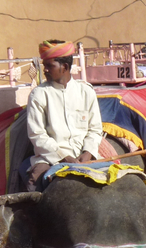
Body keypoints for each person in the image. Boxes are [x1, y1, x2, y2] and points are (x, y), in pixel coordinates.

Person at [25, 40, 103, 191]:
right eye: (44, 66)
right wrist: (64, 157)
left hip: (84, 157)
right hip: (50, 159)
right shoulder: (39, 94)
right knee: (35, 186)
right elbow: (37, 135)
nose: (45, 70)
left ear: (65, 67)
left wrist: (87, 153)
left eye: (49, 66)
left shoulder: (86, 92)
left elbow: (95, 130)